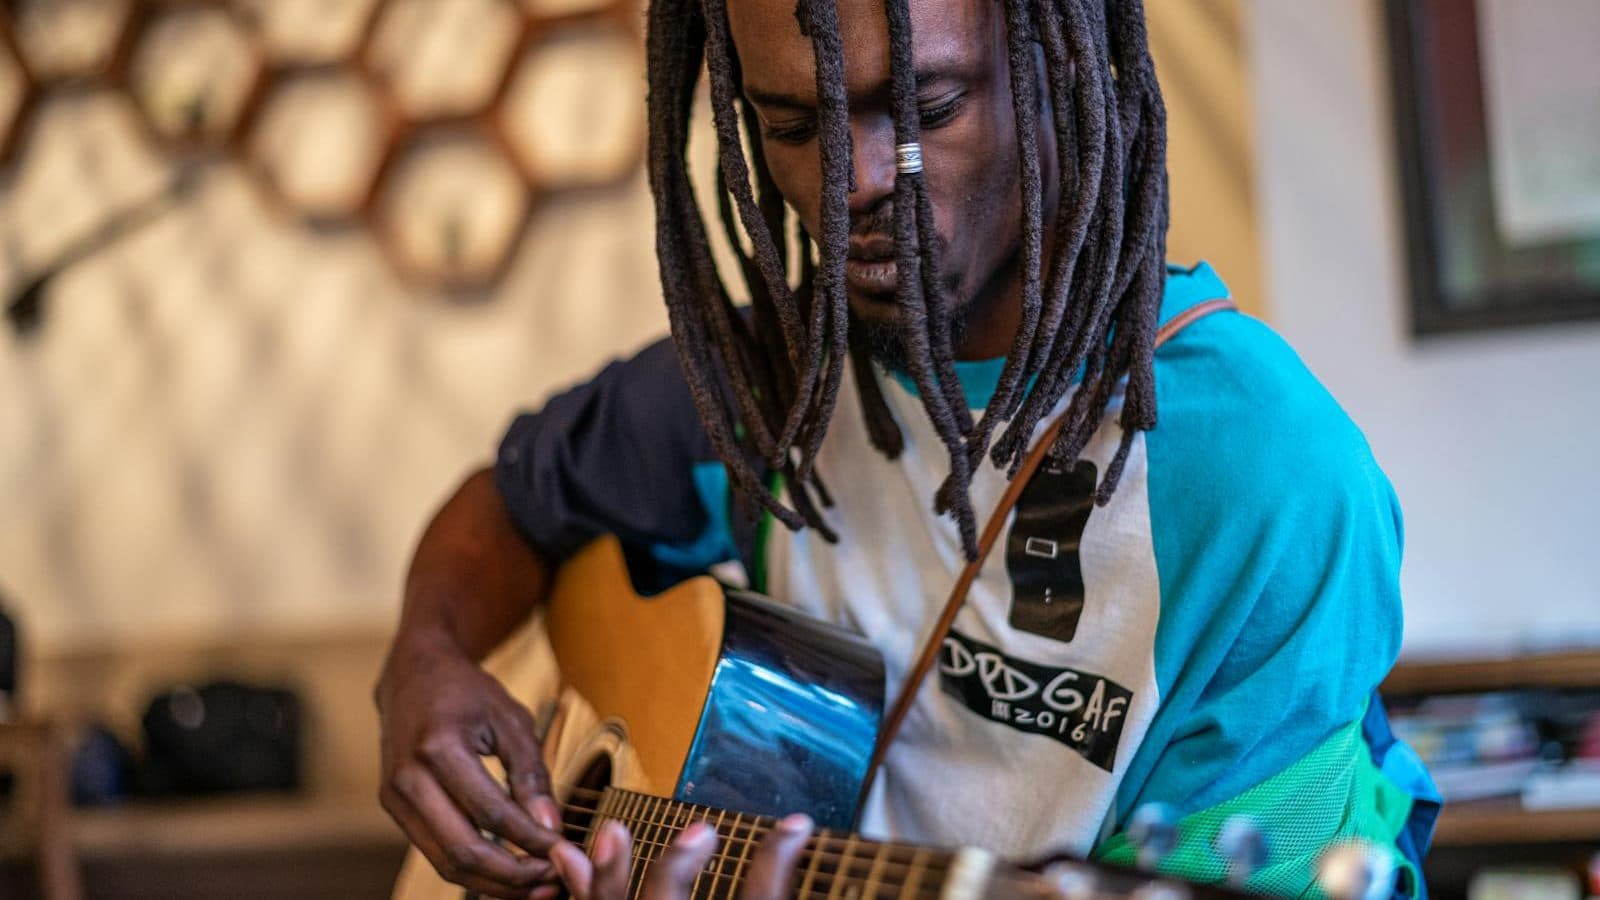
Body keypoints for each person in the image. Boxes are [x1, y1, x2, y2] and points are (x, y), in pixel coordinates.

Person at [375, 0, 1439, 896]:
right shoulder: (768, 382)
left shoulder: (1267, 476)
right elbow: (513, 501)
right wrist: (423, 663)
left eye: (927, 107)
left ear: (1056, 68)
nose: (852, 187)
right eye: (793, 128)